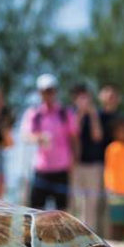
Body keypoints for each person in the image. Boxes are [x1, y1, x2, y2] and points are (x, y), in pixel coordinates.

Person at [23, 73, 77, 210]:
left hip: (62, 170)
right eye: (44, 91)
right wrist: (39, 137)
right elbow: (27, 135)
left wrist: (74, 162)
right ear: (39, 92)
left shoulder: (66, 113)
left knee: (62, 214)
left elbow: (74, 138)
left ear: (56, 91)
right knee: (36, 211)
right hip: (41, 170)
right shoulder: (34, 114)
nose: (48, 94)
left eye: (50, 90)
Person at [70, 84, 104, 229]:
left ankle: (91, 234)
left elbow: (97, 136)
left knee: (92, 203)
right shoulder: (70, 113)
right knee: (76, 202)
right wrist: (81, 114)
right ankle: (74, 233)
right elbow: (73, 133)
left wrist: (92, 115)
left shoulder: (95, 114)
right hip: (75, 164)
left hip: (93, 164)